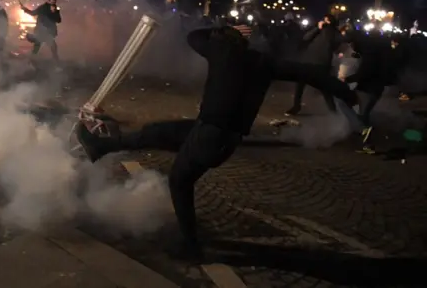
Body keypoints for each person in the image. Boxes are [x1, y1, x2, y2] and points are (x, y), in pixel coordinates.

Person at [76, 23, 357, 261]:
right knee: (156, 132)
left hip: (213, 136)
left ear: (226, 39)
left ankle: (191, 245)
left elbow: (193, 37)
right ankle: (101, 147)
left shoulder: (222, 50)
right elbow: (312, 74)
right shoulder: (263, 62)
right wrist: (347, 93)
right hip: (214, 133)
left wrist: (223, 29)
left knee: (179, 181)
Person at [340, 35, 409, 151]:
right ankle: (365, 139)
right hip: (376, 89)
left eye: (352, 45)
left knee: (348, 106)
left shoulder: (370, 56)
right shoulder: (380, 54)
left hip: (367, 89)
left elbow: (364, 73)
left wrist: (346, 79)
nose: (351, 47)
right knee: (363, 114)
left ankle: (364, 137)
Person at [286, 14, 342, 116]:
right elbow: (306, 38)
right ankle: (296, 106)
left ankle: (333, 110)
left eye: (326, 21)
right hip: (309, 61)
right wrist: (317, 28)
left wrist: (326, 29)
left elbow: (335, 44)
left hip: (321, 63)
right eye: (323, 20)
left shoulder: (334, 32)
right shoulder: (318, 30)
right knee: (300, 85)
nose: (324, 22)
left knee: (325, 88)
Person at [21, 0, 62, 64]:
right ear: (48, 1)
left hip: (49, 32)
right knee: (37, 46)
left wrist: (54, 12)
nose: (52, 4)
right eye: (51, 2)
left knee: (53, 47)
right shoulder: (42, 8)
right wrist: (25, 9)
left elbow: (58, 20)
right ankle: (30, 62)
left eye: (54, 2)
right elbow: (33, 13)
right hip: (41, 31)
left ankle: (57, 62)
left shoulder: (55, 10)